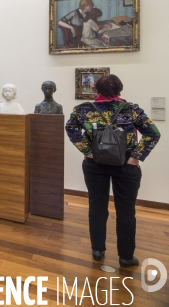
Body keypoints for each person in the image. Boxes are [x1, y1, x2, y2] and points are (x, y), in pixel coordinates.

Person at [65, 75, 160, 268]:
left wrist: (88, 151)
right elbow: (153, 133)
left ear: (97, 90)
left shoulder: (83, 110)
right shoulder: (131, 110)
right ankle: (125, 257)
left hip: (94, 165)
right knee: (126, 211)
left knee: (97, 206)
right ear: (119, 89)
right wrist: (135, 157)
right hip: (126, 166)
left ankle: (98, 250)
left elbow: (71, 128)